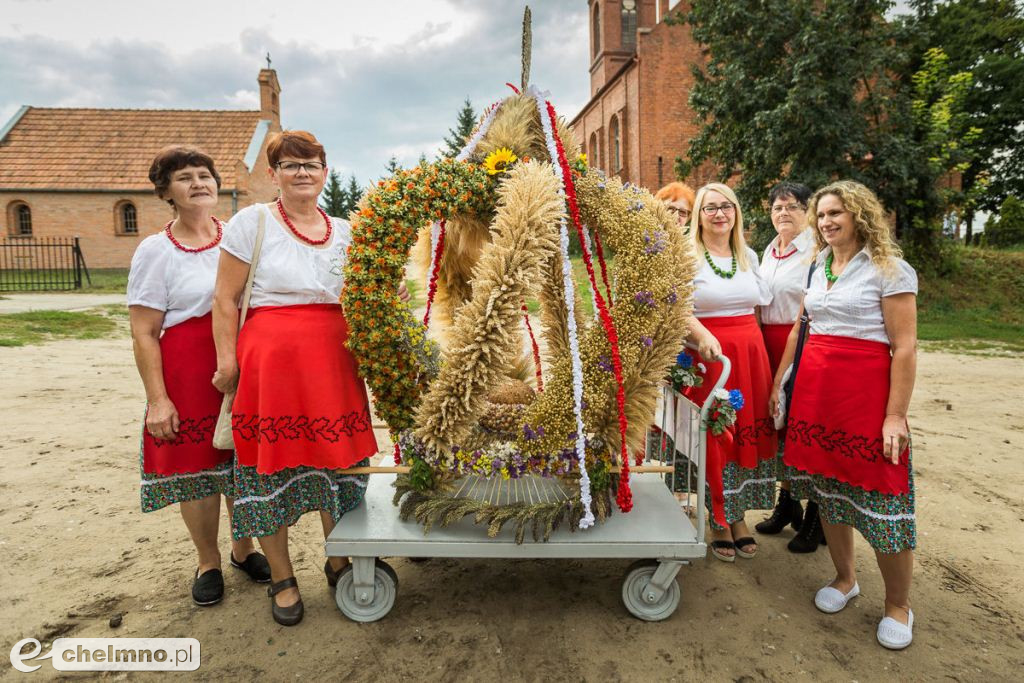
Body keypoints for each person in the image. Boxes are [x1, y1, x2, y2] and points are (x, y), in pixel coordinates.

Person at [213, 130, 382, 627]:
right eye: (290, 165)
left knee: (340, 465)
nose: (302, 172)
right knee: (272, 468)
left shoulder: (349, 230)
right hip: (272, 369)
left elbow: (366, 297)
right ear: (274, 175)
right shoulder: (252, 222)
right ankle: (283, 577)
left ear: (325, 172)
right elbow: (225, 298)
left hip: (334, 367)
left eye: (311, 164)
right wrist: (227, 361)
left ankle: (340, 558)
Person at [769, 180, 919, 649]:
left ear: (859, 216)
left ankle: (898, 604)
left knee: (883, 499)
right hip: (816, 396)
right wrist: (779, 381)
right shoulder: (817, 266)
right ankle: (845, 578)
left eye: (837, 213)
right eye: (822, 215)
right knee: (828, 492)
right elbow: (800, 326)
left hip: (866, 398)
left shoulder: (889, 269)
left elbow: (905, 346)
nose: (828, 222)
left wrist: (896, 415)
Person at [127, 145, 270, 607]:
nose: (198, 183)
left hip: (241, 361)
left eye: (204, 175)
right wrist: (158, 399)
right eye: (185, 177)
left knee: (241, 464)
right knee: (198, 471)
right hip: (189, 371)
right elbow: (144, 332)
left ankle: (242, 549)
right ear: (166, 192)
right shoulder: (155, 250)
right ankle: (208, 561)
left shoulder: (239, 236)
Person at [683, 182, 777, 562]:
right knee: (718, 436)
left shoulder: (748, 255)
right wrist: (703, 334)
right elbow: (677, 307)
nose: (719, 213)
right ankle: (718, 519)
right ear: (698, 216)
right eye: (710, 208)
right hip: (711, 356)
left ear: (736, 212)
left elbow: (756, 309)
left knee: (745, 437)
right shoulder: (687, 256)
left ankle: (738, 516)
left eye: (726, 206)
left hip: (749, 356)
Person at [754, 181, 826, 553]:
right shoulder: (769, 249)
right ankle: (787, 502)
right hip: (768, 341)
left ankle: (817, 516)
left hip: (802, 343)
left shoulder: (817, 250)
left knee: (803, 426)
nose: (784, 212)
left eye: (793, 206)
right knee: (780, 425)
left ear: (807, 210)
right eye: (778, 207)